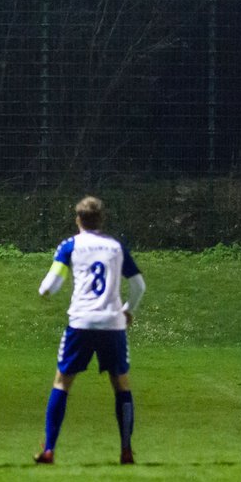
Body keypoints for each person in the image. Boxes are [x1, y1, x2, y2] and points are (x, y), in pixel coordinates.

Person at [34, 196, 145, 464]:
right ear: (101, 219)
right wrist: (128, 310)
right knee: (120, 384)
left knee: (62, 382)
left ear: (78, 219)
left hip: (81, 322)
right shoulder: (116, 247)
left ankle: (49, 449)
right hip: (112, 323)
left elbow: (50, 286)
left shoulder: (70, 246)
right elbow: (139, 285)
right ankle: (126, 450)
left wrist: (45, 291)